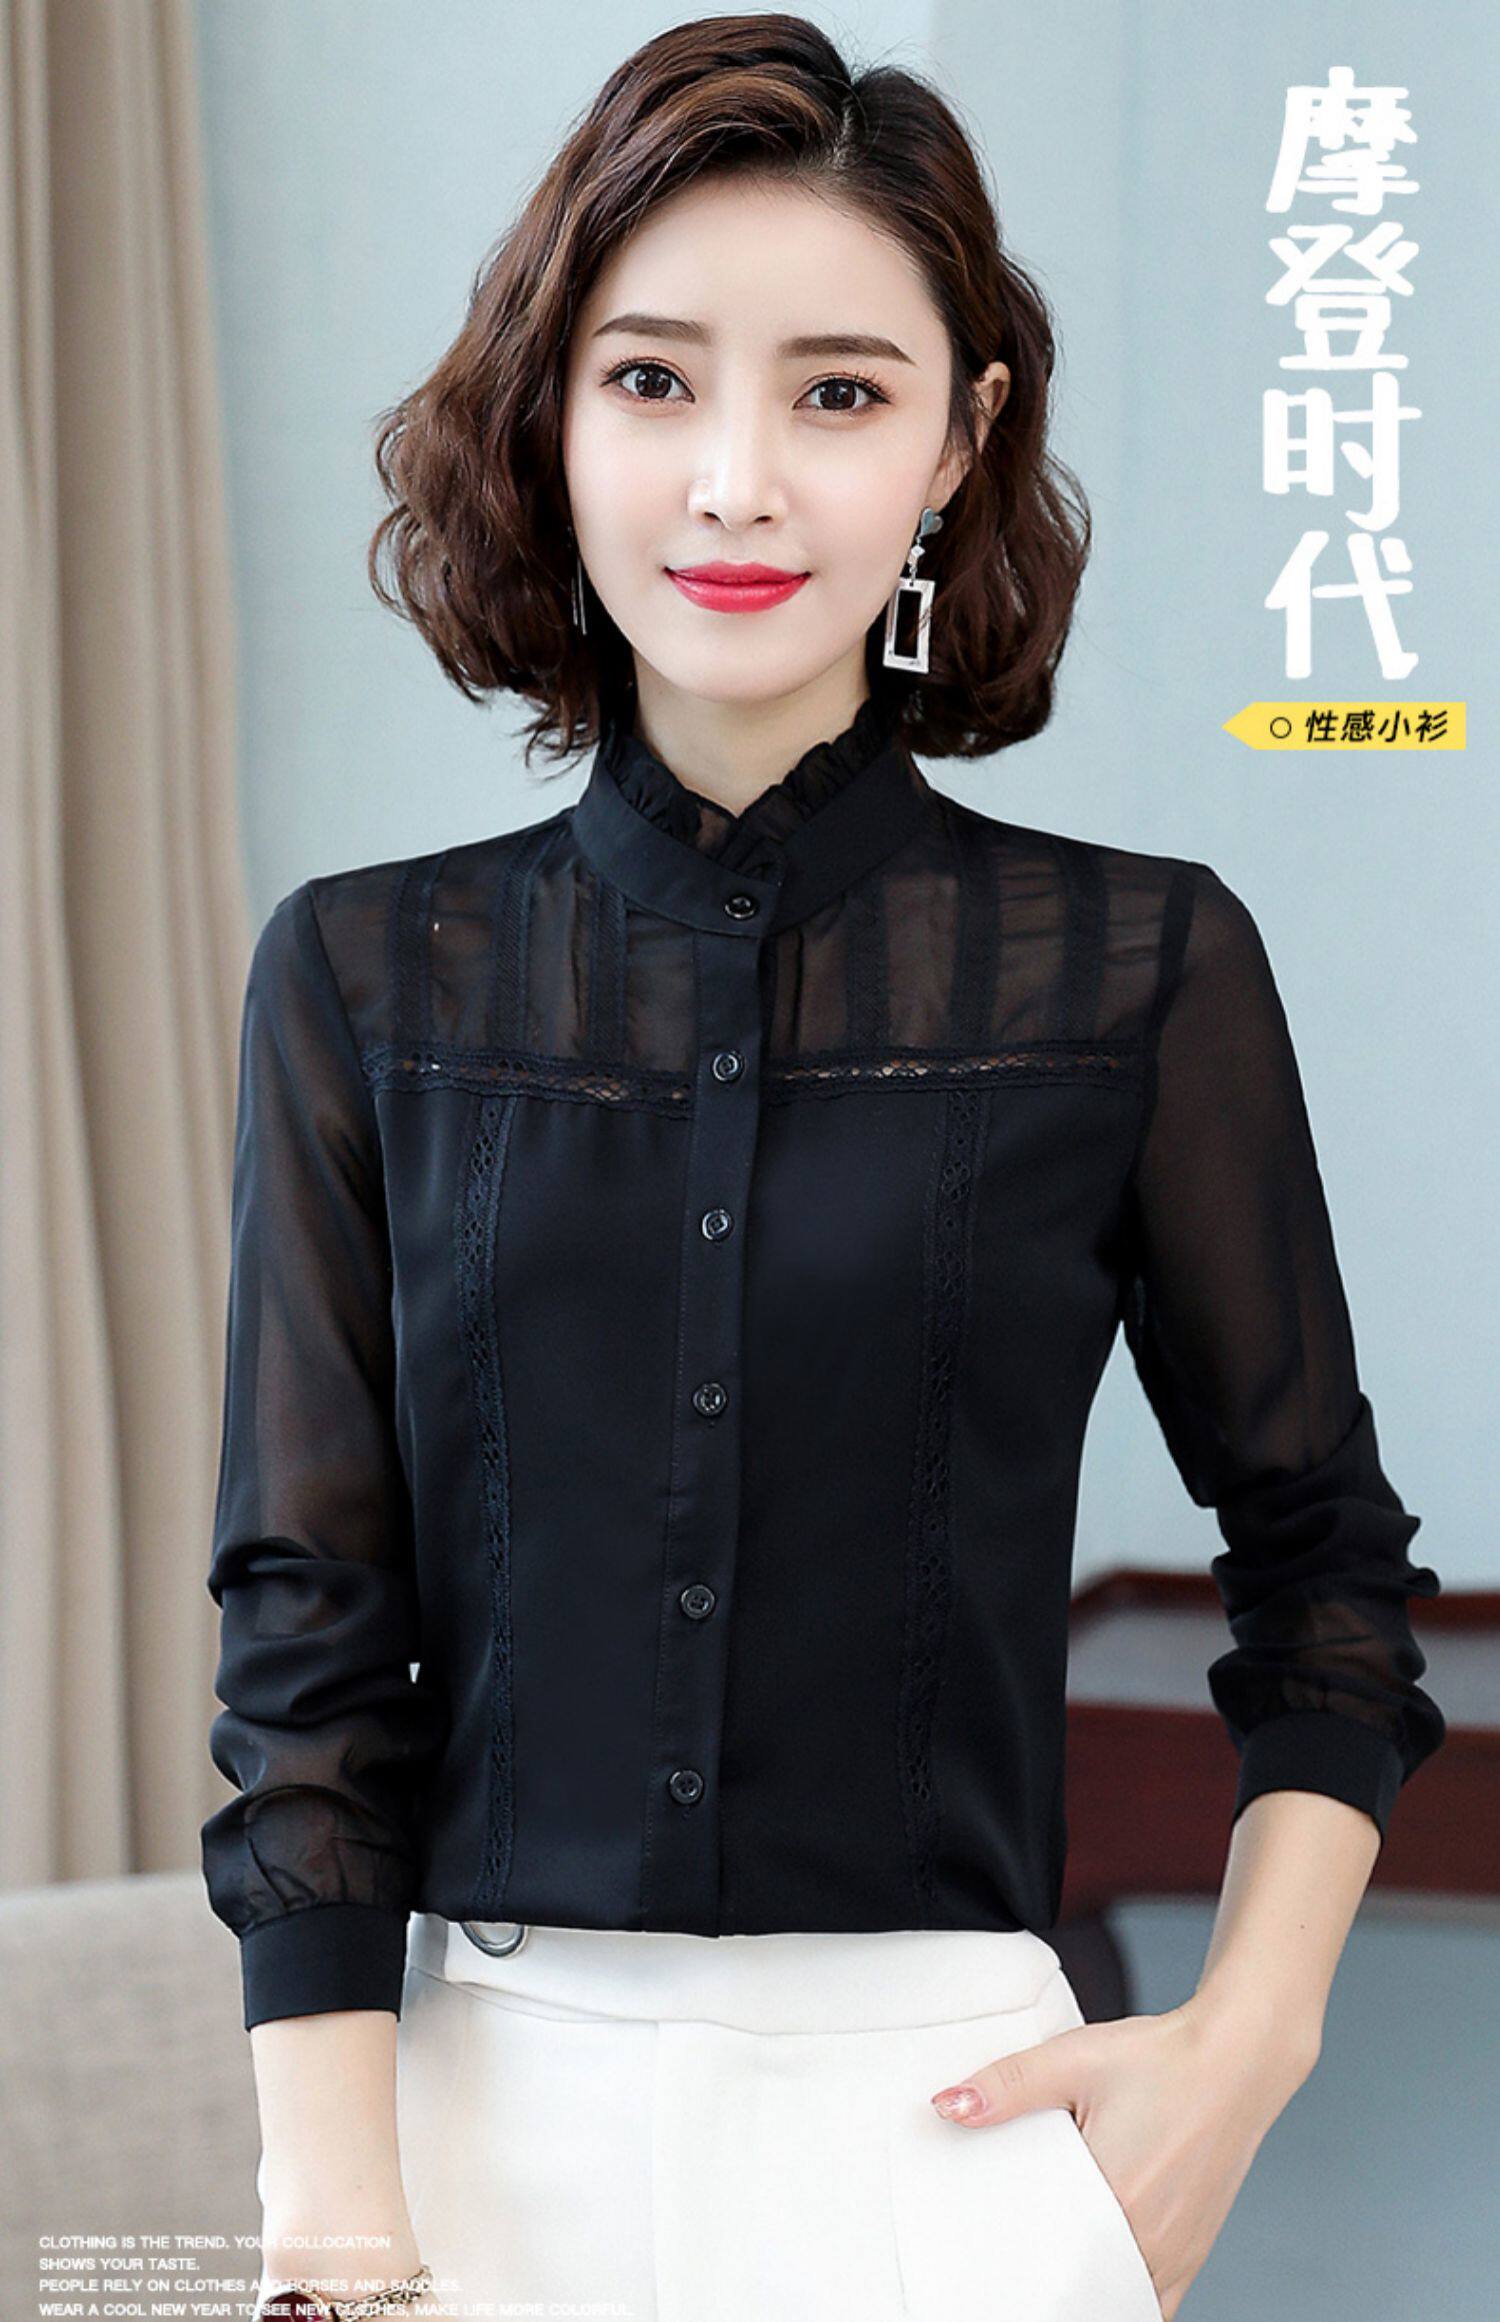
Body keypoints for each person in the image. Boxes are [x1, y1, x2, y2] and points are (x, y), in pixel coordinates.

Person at [201, 17, 1446, 2322]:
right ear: (551, 416)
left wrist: (1237, 2061)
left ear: (961, 441)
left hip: (951, 2141)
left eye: (840, 393)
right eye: (652, 380)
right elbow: (307, 1639)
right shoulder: (367, 979)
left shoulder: (1140, 969)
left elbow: (1327, 1580)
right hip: (453, 2150)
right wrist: (329, 2216)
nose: (737, 483)